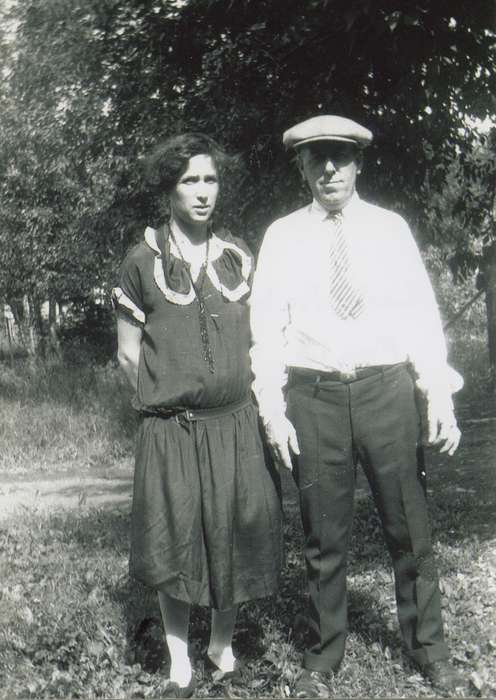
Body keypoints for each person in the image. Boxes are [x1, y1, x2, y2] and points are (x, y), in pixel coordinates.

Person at [249, 115, 466, 698]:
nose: (328, 169)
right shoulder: (282, 236)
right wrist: (273, 410)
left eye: (339, 157)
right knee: (324, 535)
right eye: (316, 158)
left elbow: (420, 316)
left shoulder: (390, 230)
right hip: (313, 396)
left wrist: (437, 393)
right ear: (301, 165)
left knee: (409, 526)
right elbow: (265, 332)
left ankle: (430, 649)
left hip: (386, 391)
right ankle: (322, 656)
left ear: (359, 163)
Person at [113, 133, 282, 698]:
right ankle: (180, 660)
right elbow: (127, 353)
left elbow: (262, 341)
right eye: (190, 180)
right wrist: (162, 403)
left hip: (235, 422)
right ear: (170, 188)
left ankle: (223, 645)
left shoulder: (237, 258)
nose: (203, 192)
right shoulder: (143, 262)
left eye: (210, 179)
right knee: (176, 538)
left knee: (232, 529)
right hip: (173, 429)